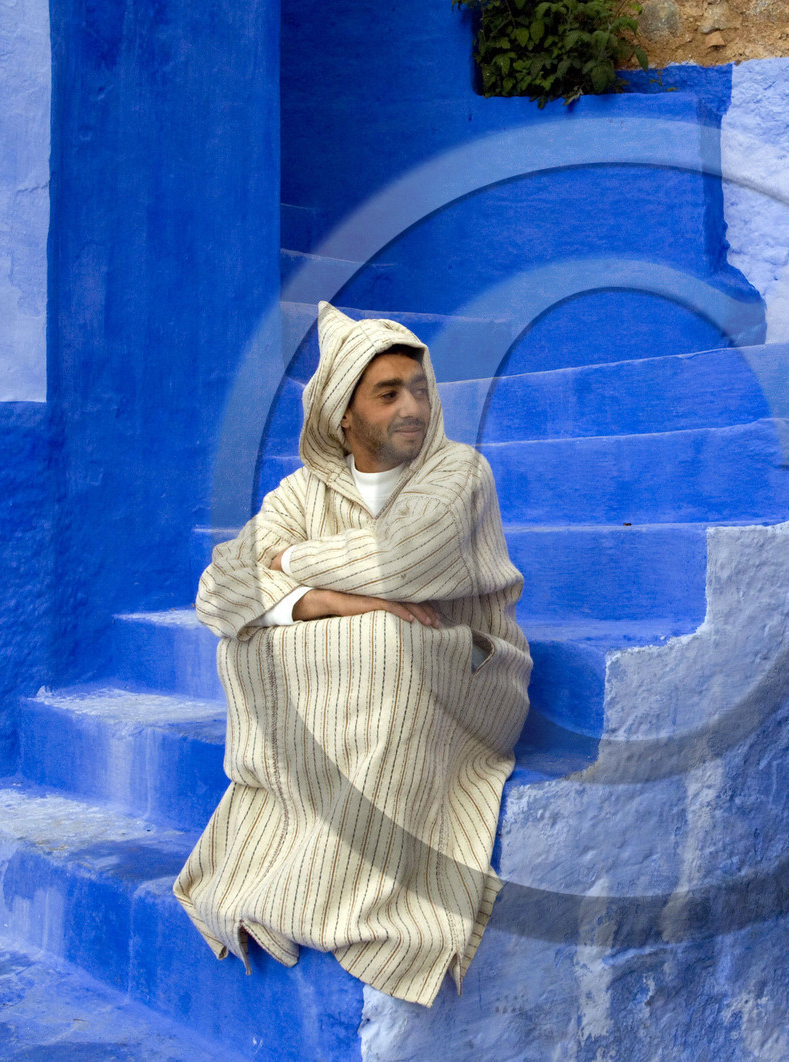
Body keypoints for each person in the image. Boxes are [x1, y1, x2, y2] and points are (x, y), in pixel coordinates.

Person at [175, 302, 532, 1007]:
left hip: (473, 673)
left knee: (386, 640)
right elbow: (217, 590)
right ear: (343, 415)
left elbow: (407, 560)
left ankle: (359, 879)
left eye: (419, 389)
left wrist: (288, 563)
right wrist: (328, 600)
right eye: (388, 393)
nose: (413, 407)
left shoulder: (460, 473)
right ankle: (301, 854)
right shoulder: (300, 492)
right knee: (249, 648)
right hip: (367, 664)